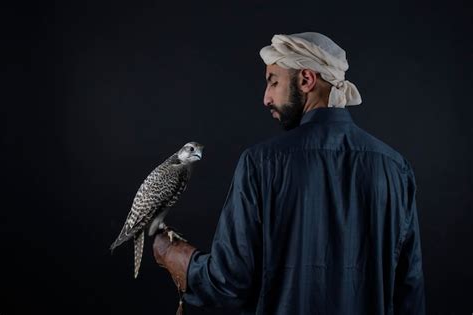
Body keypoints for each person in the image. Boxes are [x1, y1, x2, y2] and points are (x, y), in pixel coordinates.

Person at [153, 32, 426, 314]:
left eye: (273, 82)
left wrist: (174, 256)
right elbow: (409, 290)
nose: (266, 98)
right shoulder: (395, 167)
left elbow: (228, 283)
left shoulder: (260, 163)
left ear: (306, 80)